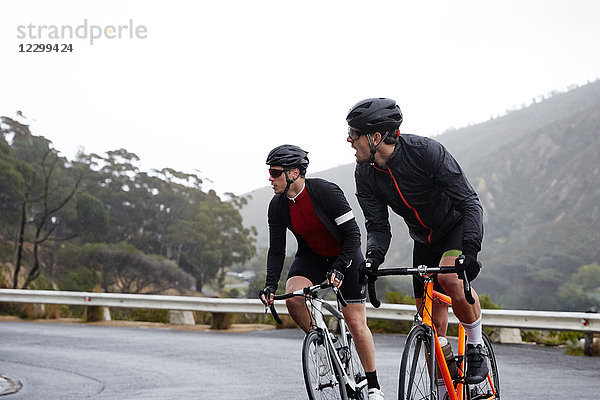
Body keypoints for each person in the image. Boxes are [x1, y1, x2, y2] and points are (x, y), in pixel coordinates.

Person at [346, 98, 489, 384]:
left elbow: (470, 202)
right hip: (423, 240)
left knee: (449, 280)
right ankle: (444, 382)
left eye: (354, 133)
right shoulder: (365, 174)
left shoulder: (425, 152)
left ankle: (475, 346)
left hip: (454, 227)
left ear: (375, 137)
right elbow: (377, 226)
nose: (348, 140)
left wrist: (471, 250)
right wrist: (373, 257)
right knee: (430, 327)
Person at [259, 144, 385, 400]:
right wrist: (270, 285)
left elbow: (353, 235)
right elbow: (276, 250)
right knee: (294, 297)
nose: (270, 178)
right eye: (270, 173)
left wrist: (339, 267)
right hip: (312, 257)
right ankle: (326, 344)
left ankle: (374, 386)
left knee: (355, 322)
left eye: (275, 172)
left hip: (345, 256)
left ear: (294, 172)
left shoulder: (326, 192)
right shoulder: (277, 205)